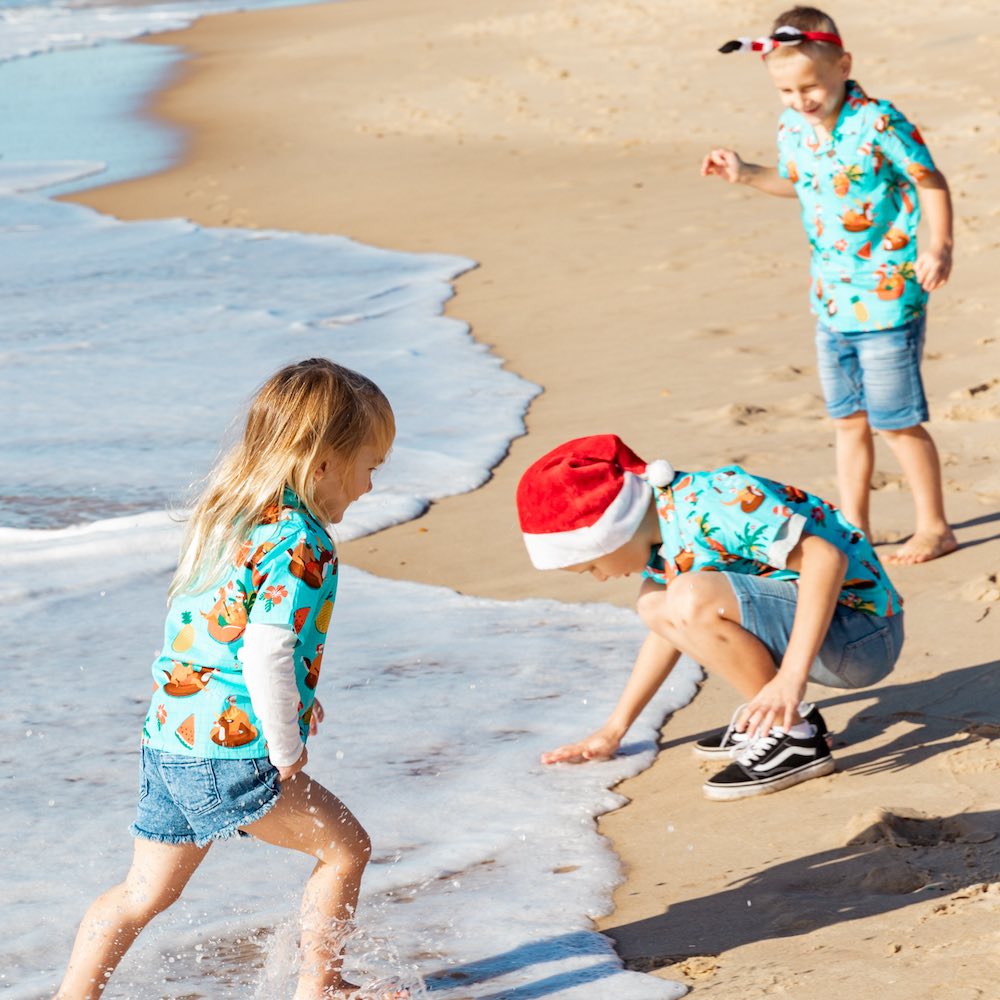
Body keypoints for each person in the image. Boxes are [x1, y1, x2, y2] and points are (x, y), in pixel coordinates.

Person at [56, 358, 407, 1000]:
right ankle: (321, 986)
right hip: (230, 749)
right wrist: (286, 747)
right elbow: (268, 650)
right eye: (369, 467)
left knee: (144, 891)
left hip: (169, 740)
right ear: (323, 462)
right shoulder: (304, 543)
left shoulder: (225, 517)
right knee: (346, 850)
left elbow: (216, 631)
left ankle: (72, 996)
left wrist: (302, 693)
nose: (368, 488)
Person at [701, 6, 957, 565]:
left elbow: (929, 180)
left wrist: (939, 245)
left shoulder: (879, 121)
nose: (800, 99)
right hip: (831, 298)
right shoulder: (793, 127)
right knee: (847, 420)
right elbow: (794, 183)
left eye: (810, 86)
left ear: (843, 65)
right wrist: (745, 173)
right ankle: (856, 528)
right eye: (787, 90)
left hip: (889, 292)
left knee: (897, 421)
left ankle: (934, 526)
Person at [516, 434, 904, 800]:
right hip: (829, 637)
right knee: (655, 603)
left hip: (863, 636)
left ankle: (793, 736)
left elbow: (825, 558)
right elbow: (666, 631)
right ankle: (785, 721)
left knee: (689, 594)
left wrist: (790, 680)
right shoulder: (660, 529)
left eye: (592, 567)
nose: (601, 578)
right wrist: (613, 731)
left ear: (612, 532)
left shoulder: (712, 504)